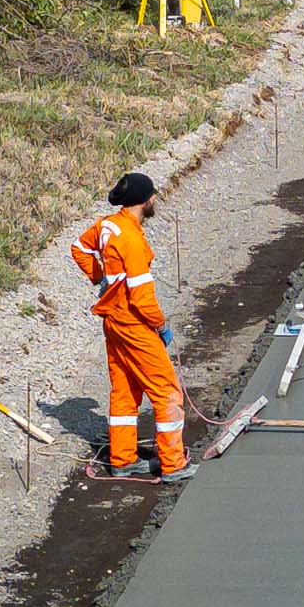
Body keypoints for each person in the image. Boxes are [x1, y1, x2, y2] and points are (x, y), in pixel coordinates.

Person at [69, 173, 190, 481]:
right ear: (144, 200)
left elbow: (78, 248)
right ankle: (174, 464)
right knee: (167, 393)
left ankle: (122, 459)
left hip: (113, 322)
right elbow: (142, 297)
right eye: (152, 196)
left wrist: (101, 278)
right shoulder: (132, 241)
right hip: (134, 324)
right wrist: (160, 326)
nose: (155, 200)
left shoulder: (108, 225)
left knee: (124, 390)